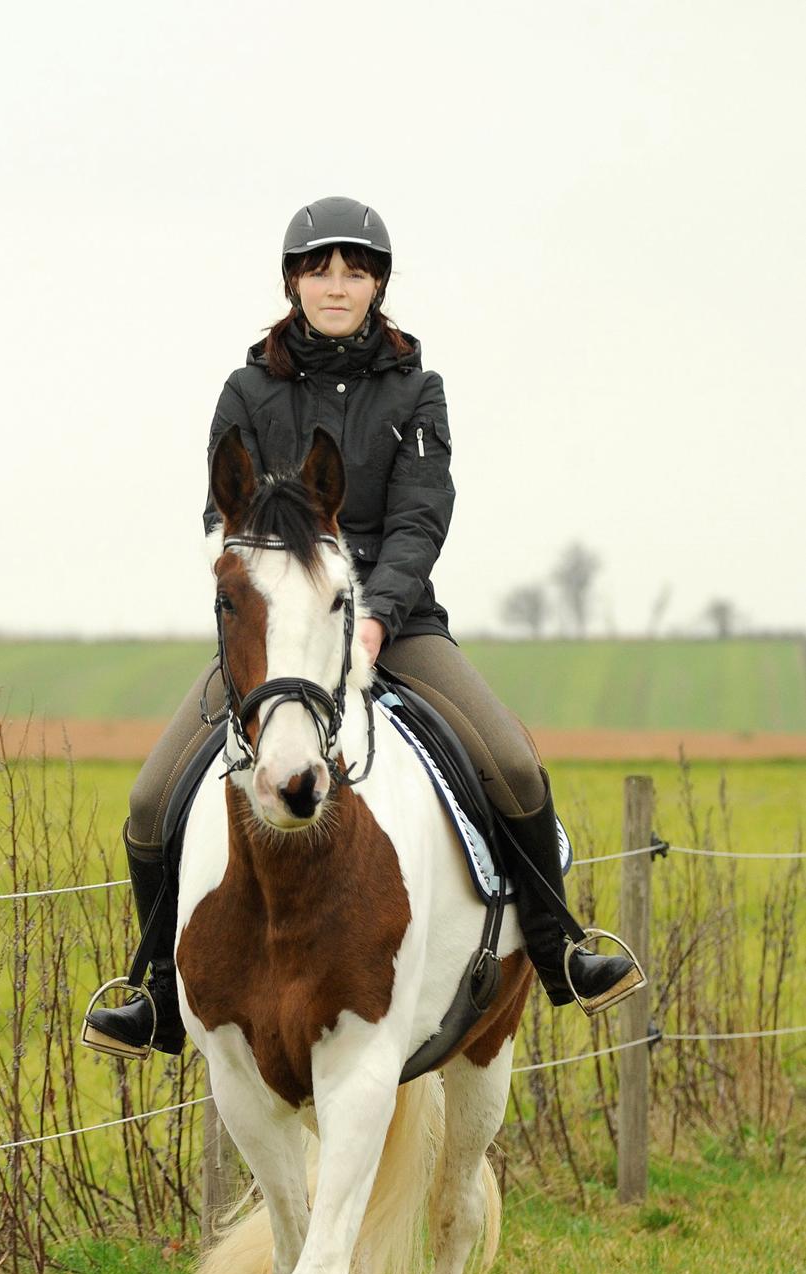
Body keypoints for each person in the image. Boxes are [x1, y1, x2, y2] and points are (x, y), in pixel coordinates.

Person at [83, 196, 641, 1059]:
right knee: (152, 800)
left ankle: (560, 946)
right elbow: (220, 517)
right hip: (281, 635)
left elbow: (420, 518)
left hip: (397, 622)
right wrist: (266, 594)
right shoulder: (245, 392)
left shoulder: (417, 391)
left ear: (378, 284)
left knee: (511, 765)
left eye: (354, 271)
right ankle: (157, 990)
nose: (336, 286)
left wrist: (376, 615)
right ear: (292, 283)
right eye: (319, 271)